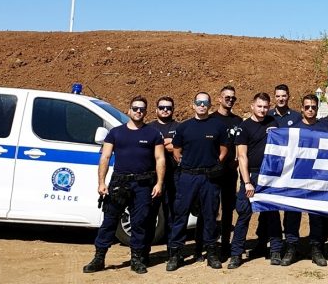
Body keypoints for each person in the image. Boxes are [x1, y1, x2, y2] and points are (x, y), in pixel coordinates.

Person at [83, 97, 165, 275]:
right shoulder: (115, 133)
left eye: (142, 109)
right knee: (110, 221)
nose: (138, 111)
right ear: (129, 110)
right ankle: (99, 258)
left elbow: (160, 159)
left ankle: (137, 259)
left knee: (140, 222)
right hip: (119, 182)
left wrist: (159, 183)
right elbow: (104, 157)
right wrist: (101, 183)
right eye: (135, 108)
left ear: (146, 112)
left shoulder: (153, 134)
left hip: (143, 183)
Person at [165, 92, 230, 271]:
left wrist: (217, 163)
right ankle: (175, 254)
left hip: (209, 177)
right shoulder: (184, 127)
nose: (202, 105)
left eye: (205, 103)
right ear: (193, 105)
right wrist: (185, 163)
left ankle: (211, 253)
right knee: (180, 215)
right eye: (198, 102)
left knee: (210, 215)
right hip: (187, 177)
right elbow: (176, 150)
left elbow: (223, 149)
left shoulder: (218, 126)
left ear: (209, 106)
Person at [228, 92, 283, 269]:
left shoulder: (273, 123)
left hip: (269, 176)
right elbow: (241, 157)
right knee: (244, 214)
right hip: (251, 175)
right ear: (252, 106)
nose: (262, 110)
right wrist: (247, 182)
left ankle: (275, 251)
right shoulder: (244, 127)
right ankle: (236, 254)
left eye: (266, 107)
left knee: (272, 214)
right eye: (259, 106)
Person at [291, 94, 328, 266]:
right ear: (302, 108)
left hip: (318, 178)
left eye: (313, 107)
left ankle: (317, 248)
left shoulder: (325, 129)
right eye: (307, 107)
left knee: (317, 215)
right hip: (297, 178)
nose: (310, 110)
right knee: (292, 214)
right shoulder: (294, 129)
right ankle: (291, 247)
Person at [270, 83, 302, 265]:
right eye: (278, 96)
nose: (281, 99)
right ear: (274, 97)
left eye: (284, 96)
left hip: (292, 171)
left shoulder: (297, 117)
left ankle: (291, 246)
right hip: (273, 171)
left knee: (292, 211)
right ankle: (275, 248)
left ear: (289, 96)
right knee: (272, 211)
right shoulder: (267, 116)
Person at [212, 85, 243, 258]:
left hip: (230, 172)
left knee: (228, 210)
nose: (230, 100)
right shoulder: (210, 120)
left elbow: (240, 144)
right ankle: (208, 245)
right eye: (227, 97)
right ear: (219, 98)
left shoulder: (238, 121)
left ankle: (225, 244)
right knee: (210, 209)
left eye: (233, 98)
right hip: (213, 173)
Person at [147, 96, 178, 247]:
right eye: (162, 107)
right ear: (156, 109)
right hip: (152, 178)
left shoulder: (179, 127)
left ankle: (172, 252)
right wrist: (167, 143)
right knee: (150, 215)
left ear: (173, 110)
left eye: (169, 108)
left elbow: (179, 148)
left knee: (172, 214)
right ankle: (144, 253)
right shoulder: (148, 128)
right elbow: (148, 149)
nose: (165, 110)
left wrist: (162, 144)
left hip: (173, 177)